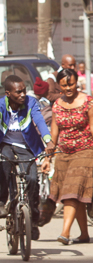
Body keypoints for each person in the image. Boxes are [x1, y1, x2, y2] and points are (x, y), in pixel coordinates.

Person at [46, 69, 93, 245]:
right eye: (64, 85)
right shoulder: (57, 104)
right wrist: (47, 157)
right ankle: (83, 235)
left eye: (71, 84)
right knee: (75, 194)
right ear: (59, 85)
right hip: (64, 154)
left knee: (71, 192)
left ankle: (65, 233)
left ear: (77, 82)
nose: (68, 88)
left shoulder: (88, 102)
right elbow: (54, 133)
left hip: (86, 152)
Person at [0, 75, 53, 240]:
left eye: (23, 90)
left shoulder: (31, 102)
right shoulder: (1, 105)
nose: (23, 94)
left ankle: (33, 220)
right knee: (4, 166)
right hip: (5, 144)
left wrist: (48, 140)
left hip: (27, 146)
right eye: (18, 92)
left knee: (31, 179)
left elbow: (40, 122)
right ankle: (2, 202)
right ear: (8, 93)